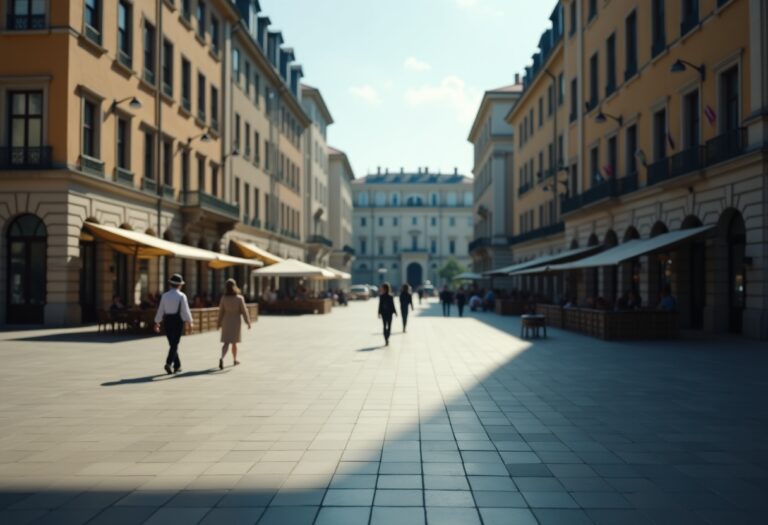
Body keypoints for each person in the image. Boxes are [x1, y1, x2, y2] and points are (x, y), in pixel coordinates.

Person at [154, 274, 193, 375]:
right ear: (179, 285)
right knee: (175, 344)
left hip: (167, 321)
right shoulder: (182, 296)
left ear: (170, 284)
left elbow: (160, 310)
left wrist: (157, 322)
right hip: (177, 320)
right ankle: (168, 363)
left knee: (172, 344)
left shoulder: (165, 296)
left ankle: (177, 365)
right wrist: (190, 322)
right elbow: (185, 310)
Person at [217, 279, 252, 369]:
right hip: (236, 322)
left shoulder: (224, 298)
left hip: (226, 321)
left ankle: (222, 357)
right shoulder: (239, 298)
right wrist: (248, 322)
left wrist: (218, 323)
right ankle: (235, 359)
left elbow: (221, 312)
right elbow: (244, 311)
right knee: (234, 343)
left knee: (226, 343)